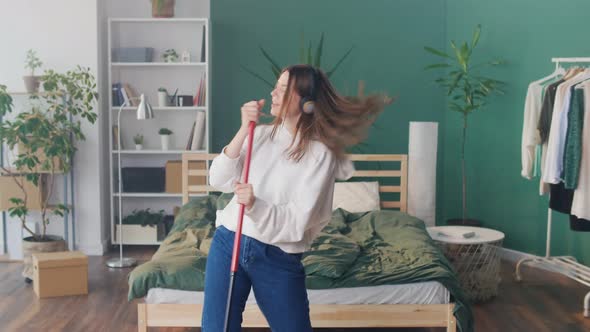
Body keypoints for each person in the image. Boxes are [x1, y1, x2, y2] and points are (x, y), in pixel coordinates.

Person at [202, 64, 388, 331]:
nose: (273, 93)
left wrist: (255, 204)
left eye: (282, 89)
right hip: (229, 242)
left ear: (307, 103)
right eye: (275, 86)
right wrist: (244, 128)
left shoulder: (320, 154)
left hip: (278, 256)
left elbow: (297, 221)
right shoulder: (260, 134)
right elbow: (217, 179)